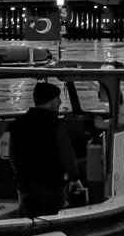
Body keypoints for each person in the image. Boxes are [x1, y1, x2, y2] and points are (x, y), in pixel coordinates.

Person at [10, 82, 79, 218]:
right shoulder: (56, 124)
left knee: (28, 221)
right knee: (51, 222)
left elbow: (12, 157)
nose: (60, 102)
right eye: (58, 99)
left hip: (26, 188)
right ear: (51, 101)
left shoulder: (17, 124)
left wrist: (21, 177)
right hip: (52, 186)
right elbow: (67, 156)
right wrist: (74, 177)